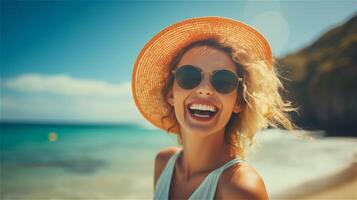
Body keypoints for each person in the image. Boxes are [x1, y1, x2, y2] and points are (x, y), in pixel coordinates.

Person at [132, 17, 297, 200]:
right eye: (189, 76)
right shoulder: (163, 163)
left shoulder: (240, 189)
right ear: (171, 94)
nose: (204, 89)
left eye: (223, 81)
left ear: (238, 102)